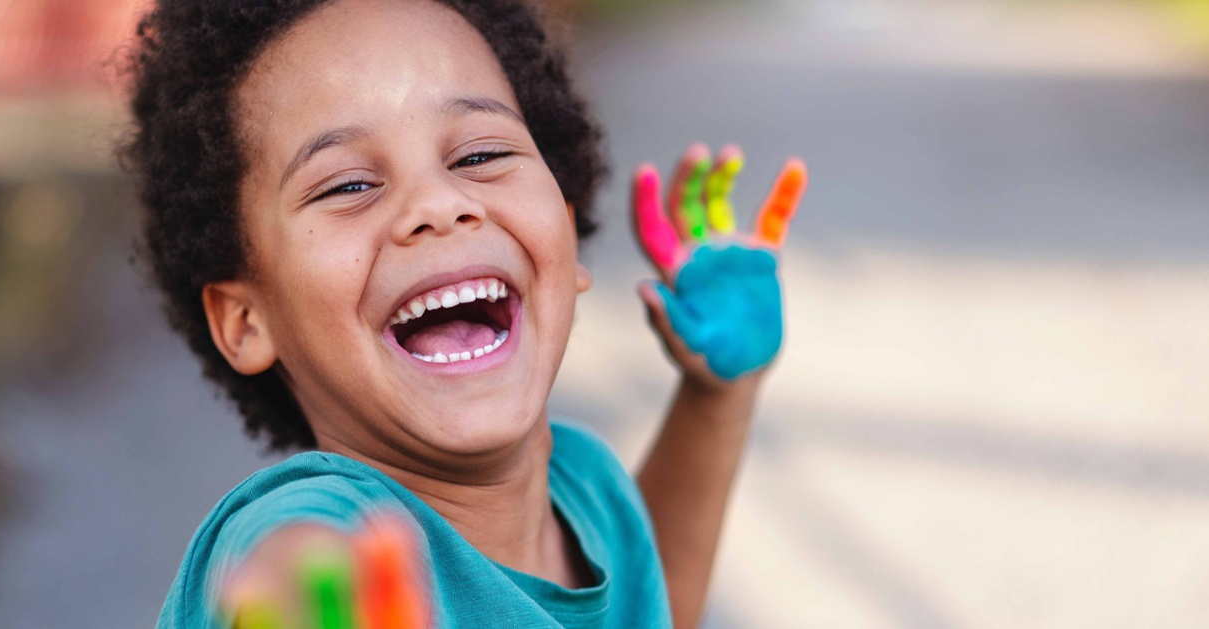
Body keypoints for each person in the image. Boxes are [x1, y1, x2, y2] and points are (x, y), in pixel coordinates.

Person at [122, 0, 805, 627]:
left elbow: (657, 604)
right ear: (246, 319)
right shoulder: (318, 522)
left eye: (479, 154)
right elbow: (295, 566)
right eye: (350, 184)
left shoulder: (588, 483)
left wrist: (717, 396)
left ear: (565, 242)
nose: (437, 204)